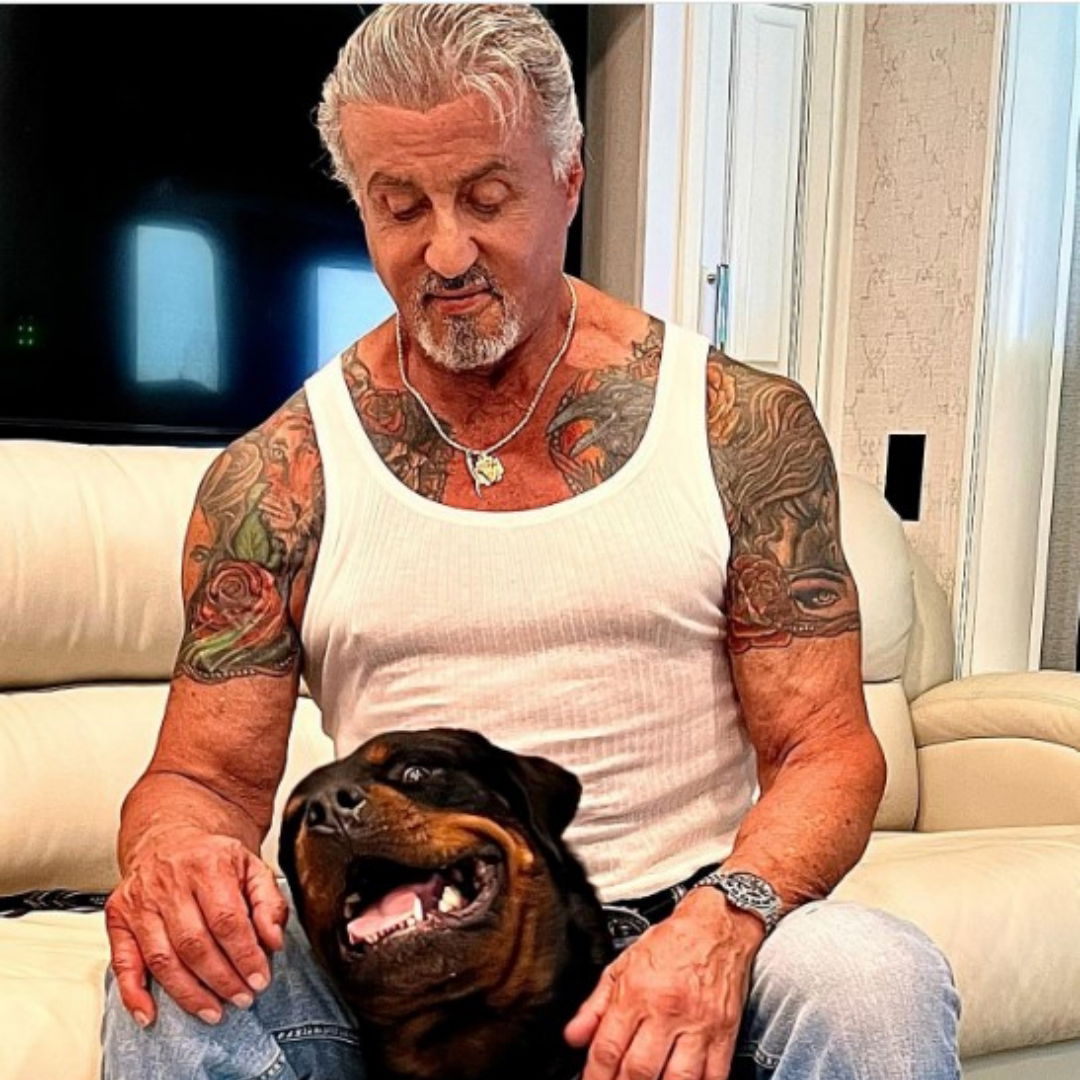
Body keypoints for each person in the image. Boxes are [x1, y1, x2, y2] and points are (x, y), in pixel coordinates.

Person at [101, 6, 961, 1079]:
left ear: (569, 180)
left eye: (487, 198)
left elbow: (826, 751)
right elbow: (202, 779)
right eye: (400, 206)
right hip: (405, 948)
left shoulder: (737, 425)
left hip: (693, 918)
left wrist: (723, 921)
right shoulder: (277, 477)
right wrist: (175, 853)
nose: (446, 251)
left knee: (871, 978)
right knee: (168, 990)